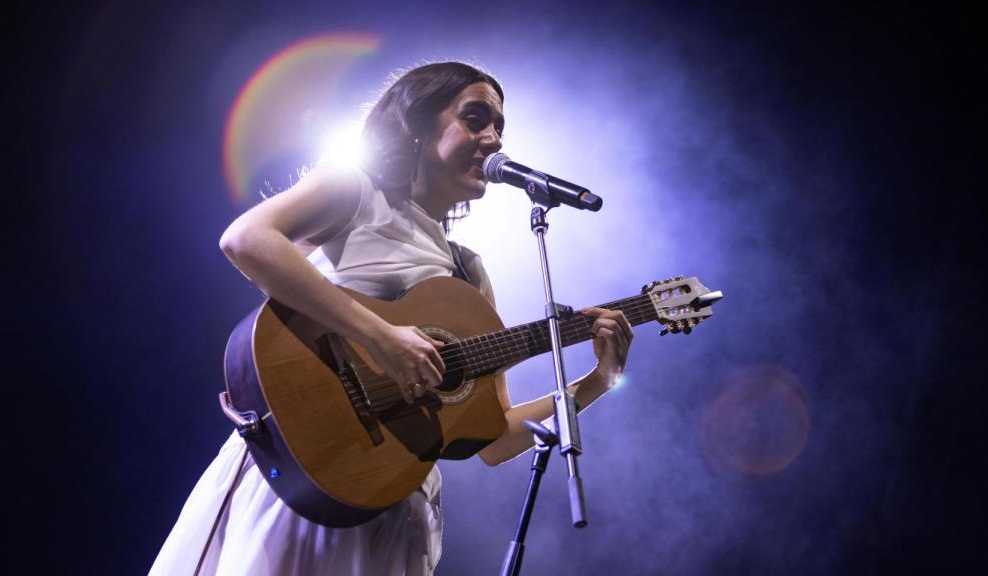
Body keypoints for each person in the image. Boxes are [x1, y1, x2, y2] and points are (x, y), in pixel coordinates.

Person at [150, 61, 632, 576]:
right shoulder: (356, 191)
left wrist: (597, 382)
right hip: (304, 473)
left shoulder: (468, 273)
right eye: (475, 119)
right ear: (418, 125)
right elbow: (246, 240)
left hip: (396, 502)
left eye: (499, 128)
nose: (493, 140)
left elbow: (492, 439)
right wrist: (379, 336)